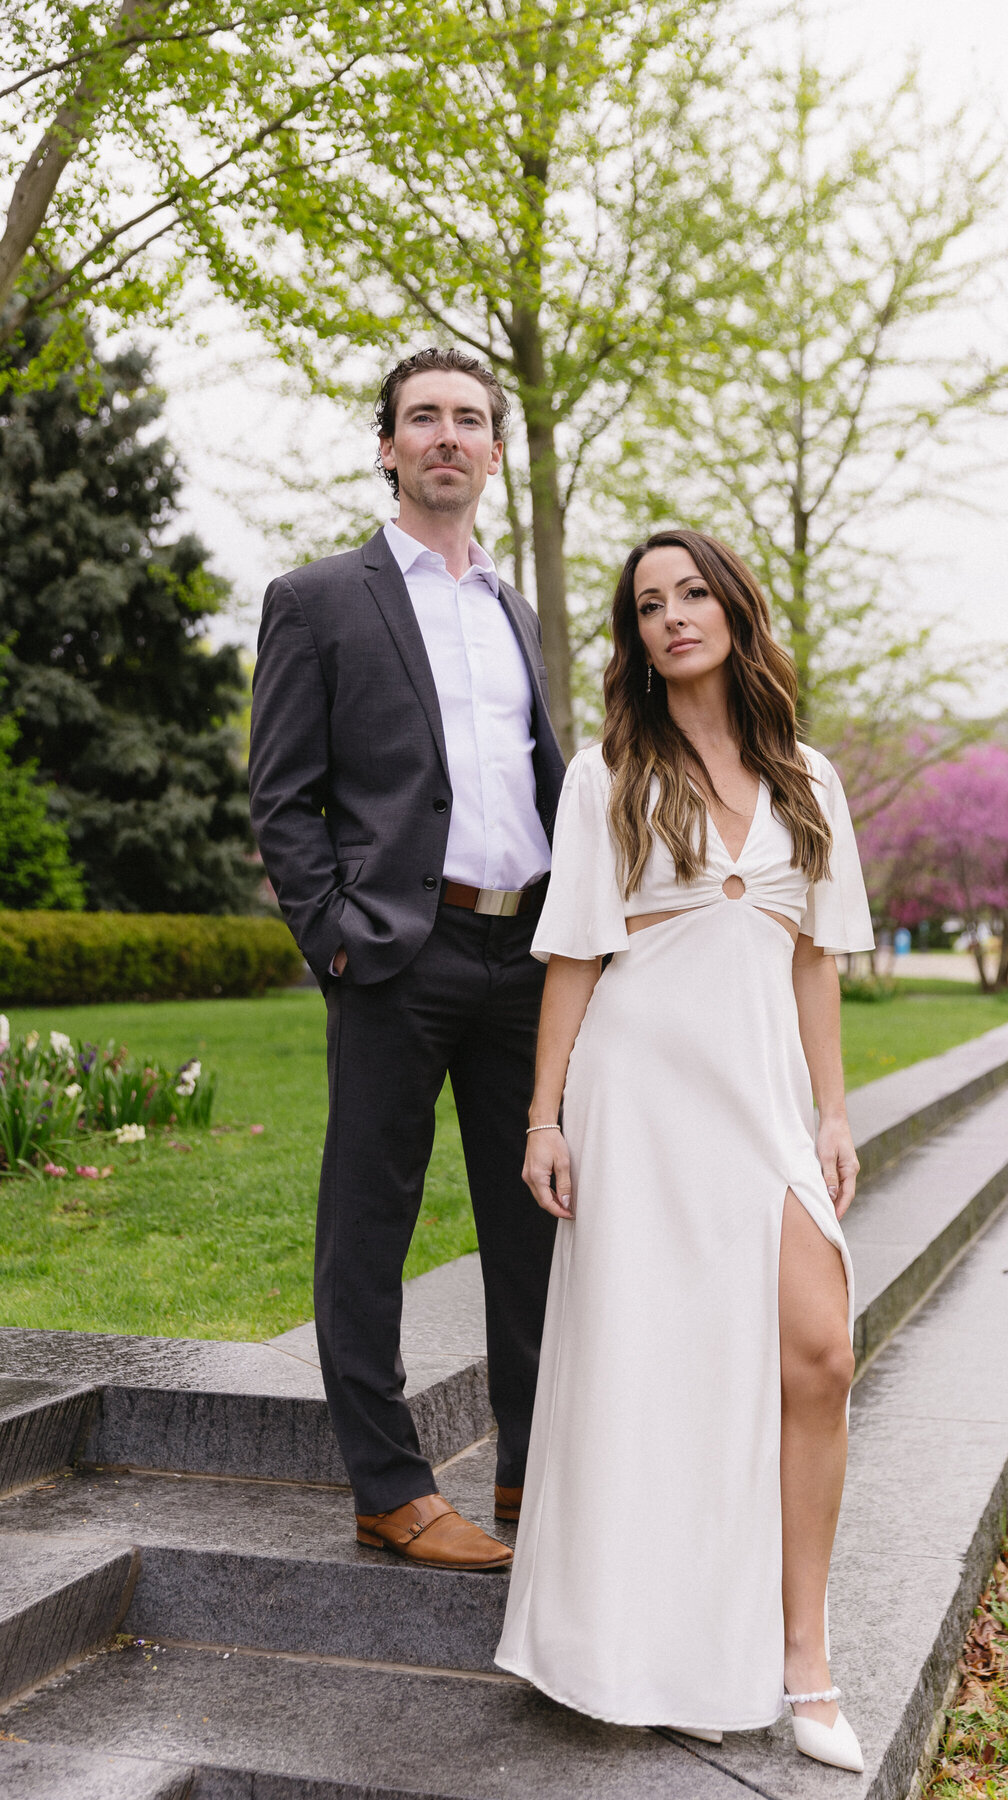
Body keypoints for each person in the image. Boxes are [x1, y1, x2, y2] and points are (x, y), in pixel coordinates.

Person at [495, 529, 874, 1769]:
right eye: (648, 604)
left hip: (762, 1098)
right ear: (636, 635)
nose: (672, 617)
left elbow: (813, 956)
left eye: (692, 593)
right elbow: (573, 957)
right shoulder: (608, 773)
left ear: (733, 608)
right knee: (648, 1377)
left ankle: (803, 1658)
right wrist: (546, 1117)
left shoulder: (809, 776)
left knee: (820, 1349)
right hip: (641, 1095)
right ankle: (633, 1644)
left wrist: (829, 1109)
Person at [249, 347, 564, 1571]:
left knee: (536, 1220)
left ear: (494, 453)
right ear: (387, 447)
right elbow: (284, 799)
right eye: (422, 418)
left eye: (469, 420)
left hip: (526, 949)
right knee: (368, 1223)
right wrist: (336, 938)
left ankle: (536, 1475)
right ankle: (390, 1488)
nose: (447, 436)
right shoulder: (320, 599)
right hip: (395, 950)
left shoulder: (515, 609)